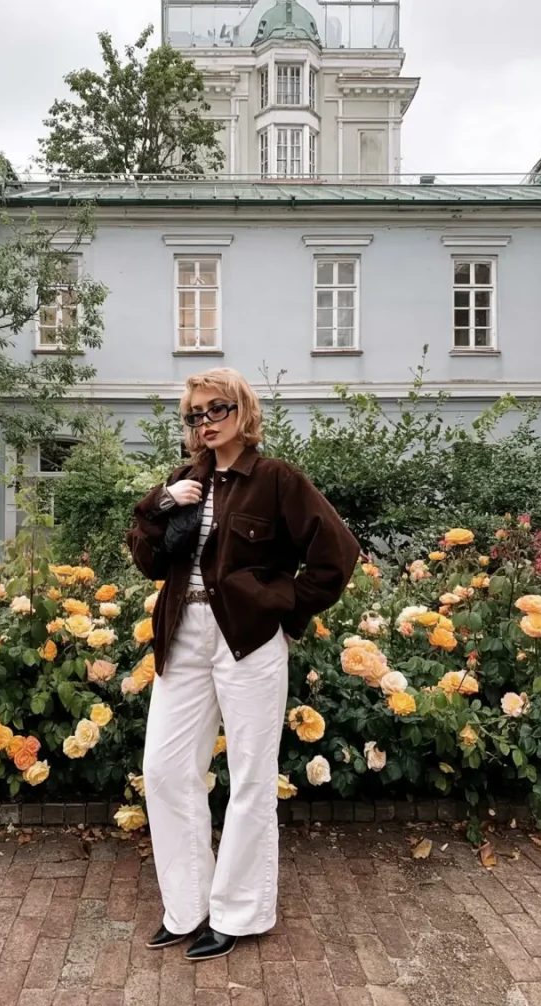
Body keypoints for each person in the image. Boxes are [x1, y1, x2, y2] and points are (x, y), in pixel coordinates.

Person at [127, 368, 360, 961]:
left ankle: (237, 912)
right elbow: (149, 562)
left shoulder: (276, 479)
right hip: (183, 635)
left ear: (242, 410)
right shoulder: (184, 479)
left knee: (251, 776)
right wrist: (159, 504)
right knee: (164, 769)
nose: (204, 422)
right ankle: (188, 906)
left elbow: (336, 554)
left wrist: (283, 608)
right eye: (194, 414)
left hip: (249, 639)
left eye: (216, 409)